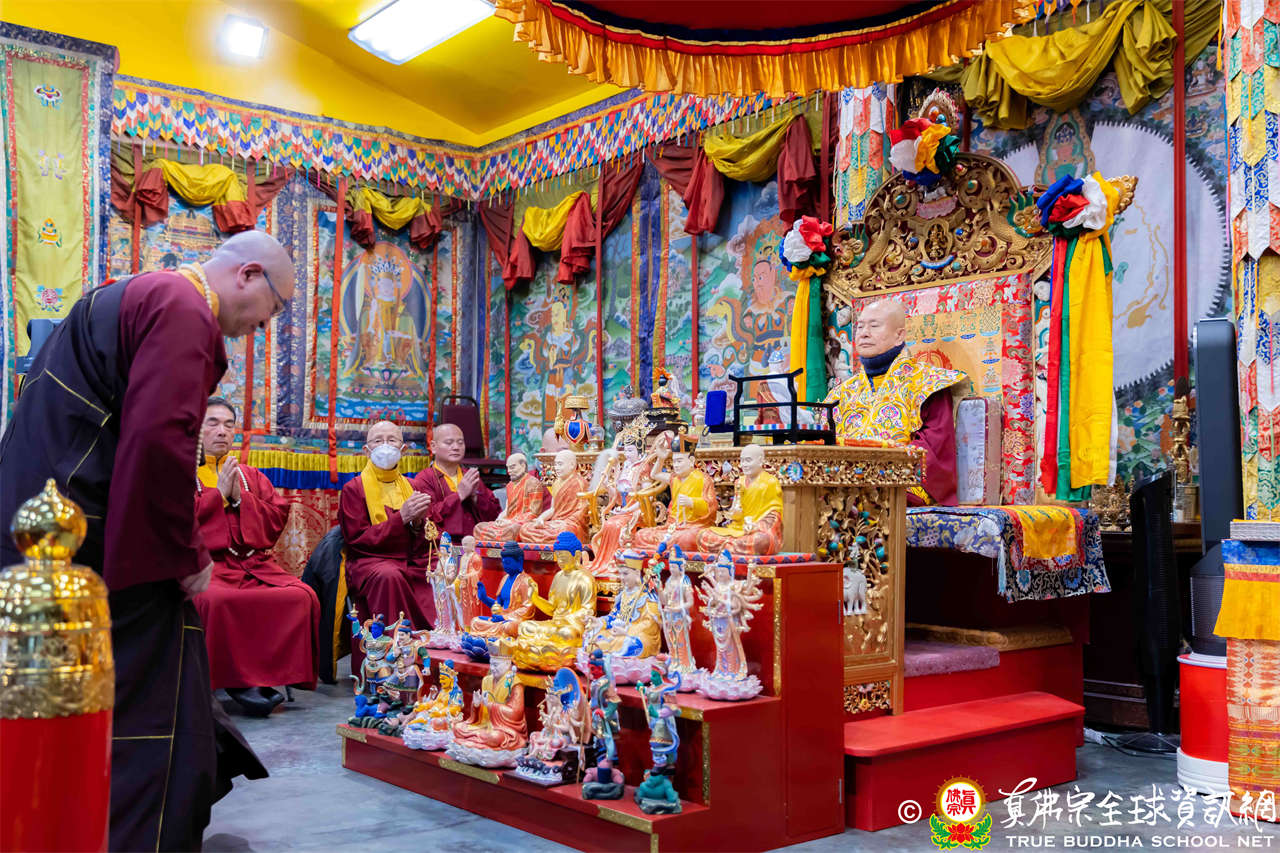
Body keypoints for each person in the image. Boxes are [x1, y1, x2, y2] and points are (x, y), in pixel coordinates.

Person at [0, 230, 293, 851]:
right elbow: (160, 442)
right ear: (247, 275)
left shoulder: (136, 291)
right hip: (82, 531)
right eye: (272, 307)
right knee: (147, 690)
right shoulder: (183, 310)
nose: (262, 326)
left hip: (41, 518)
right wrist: (184, 553)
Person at [192, 397, 320, 717]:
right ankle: (239, 682)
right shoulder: (182, 474)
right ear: (196, 428)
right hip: (207, 569)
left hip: (253, 565)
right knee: (216, 601)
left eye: (229, 425)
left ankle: (270, 676)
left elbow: (276, 518)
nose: (222, 431)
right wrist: (218, 496)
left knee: (301, 596)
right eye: (212, 423)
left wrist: (240, 499)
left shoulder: (249, 476)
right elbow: (175, 525)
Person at [823, 298, 965, 506]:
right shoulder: (840, 394)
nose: (863, 333)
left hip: (901, 486)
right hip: (844, 485)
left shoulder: (927, 383)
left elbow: (933, 448)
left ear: (899, 335)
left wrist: (872, 473)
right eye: (860, 326)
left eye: (874, 326)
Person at [339, 421, 436, 636]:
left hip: (409, 557)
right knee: (389, 576)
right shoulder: (353, 489)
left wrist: (417, 523)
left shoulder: (413, 486)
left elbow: (426, 539)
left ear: (403, 449)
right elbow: (357, 540)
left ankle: (435, 639)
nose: (385, 445)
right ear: (367, 450)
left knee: (438, 572)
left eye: (391, 440)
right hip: (370, 560)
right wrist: (401, 518)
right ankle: (394, 646)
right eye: (378, 440)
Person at [413, 423, 501, 540]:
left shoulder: (470, 476)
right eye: (449, 442)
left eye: (460, 442)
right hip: (442, 546)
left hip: (476, 543)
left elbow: (495, 514)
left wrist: (475, 498)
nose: (456, 447)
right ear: (433, 447)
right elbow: (427, 518)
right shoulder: (425, 478)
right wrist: (459, 495)